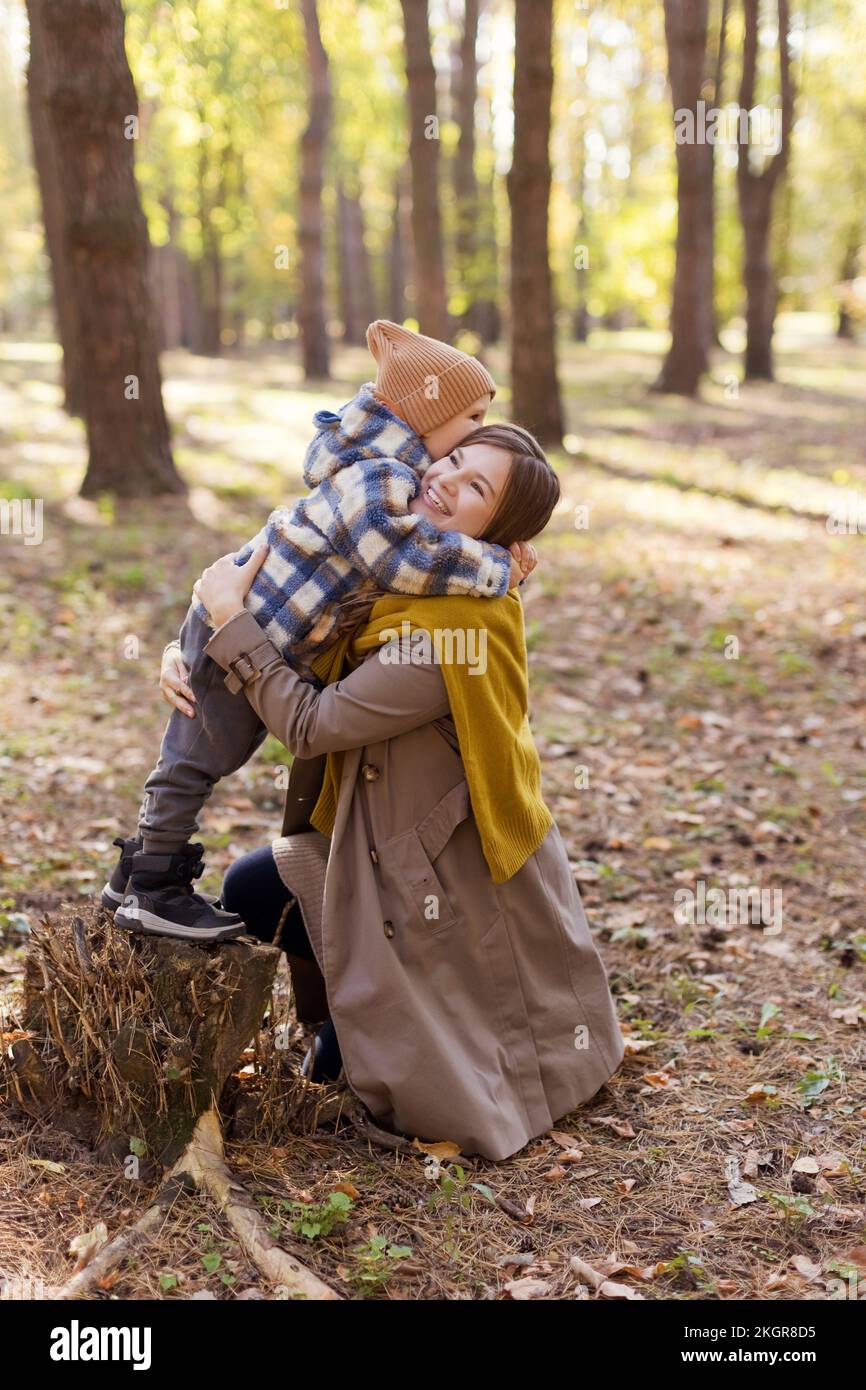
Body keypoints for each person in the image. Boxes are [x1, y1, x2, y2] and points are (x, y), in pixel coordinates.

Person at [170, 423, 625, 1163]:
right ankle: (343, 1038)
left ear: (496, 529)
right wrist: (182, 649)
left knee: (254, 889)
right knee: (256, 886)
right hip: (388, 839)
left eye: (476, 488)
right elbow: (292, 616)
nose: (445, 479)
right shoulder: (402, 567)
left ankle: (356, 1043)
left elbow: (313, 722)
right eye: (451, 460)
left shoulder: (449, 630)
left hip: (439, 874)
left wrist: (230, 624)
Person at [101, 322, 534, 940]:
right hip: (244, 633)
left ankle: (134, 872)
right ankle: (151, 885)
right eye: (468, 422)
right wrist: (497, 568)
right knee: (196, 760)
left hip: (252, 635)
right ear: (423, 413)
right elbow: (400, 561)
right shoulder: (379, 479)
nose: (475, 432)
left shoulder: (392, 481)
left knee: (204, 758)